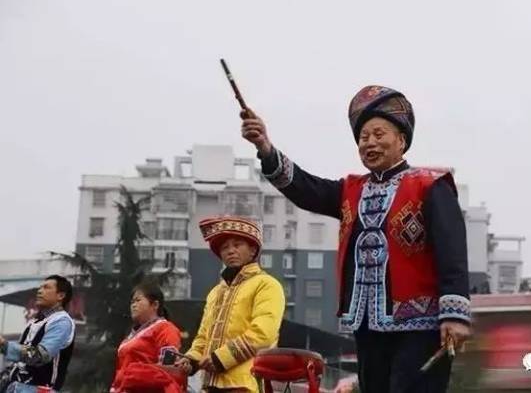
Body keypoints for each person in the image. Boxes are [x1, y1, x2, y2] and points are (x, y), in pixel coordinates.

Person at [240, 85, 472, 393]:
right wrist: (266, 147)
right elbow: (305, 188)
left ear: (401, 140)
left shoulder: (430, 186)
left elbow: (451, 250)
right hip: (367, 324)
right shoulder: (351, 189)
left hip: (421, 327)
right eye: (364, 138)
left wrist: (455, 315)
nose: (370, 143)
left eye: (379, 134)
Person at [175, 216, 285, 393]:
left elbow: (263, 334)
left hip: (246, 383)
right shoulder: (215, 293)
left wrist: (221, 358)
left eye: (237, 245)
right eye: (224, 247)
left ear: (253, 250)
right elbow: (203, 337)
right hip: (210, 385)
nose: (230, 251)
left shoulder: (267, 284)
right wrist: (191, 360)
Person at [0, 275, 75, 393]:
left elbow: (40, 356)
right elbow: (19, 362)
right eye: (40, 288)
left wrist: (4, 345)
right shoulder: (34, 323)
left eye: (46, 287)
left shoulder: (61, 321)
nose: (39, 291)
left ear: (61, 295)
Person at [110, 281, 185, 393]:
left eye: (138, 300)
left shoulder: (165, 329)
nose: (133, 305)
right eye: (132, 302)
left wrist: (136, 374)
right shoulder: (131, 335)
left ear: (155, 304)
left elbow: (170, 369)